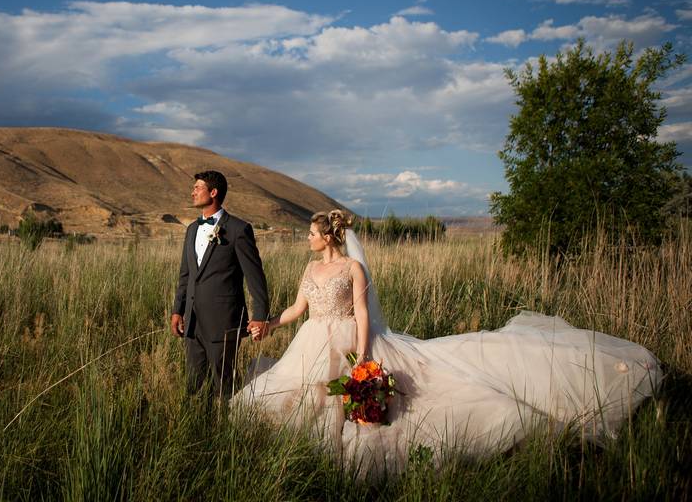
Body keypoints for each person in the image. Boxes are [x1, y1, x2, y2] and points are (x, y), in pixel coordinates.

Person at [234, 210, 662, 477]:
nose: (307, 238)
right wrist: (271, 325)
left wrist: (363, 356)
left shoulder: (352, 269)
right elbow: (297, 308)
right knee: (298, 394)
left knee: (372, 403)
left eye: (311, 233)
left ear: (328, 235)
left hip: (348, 339)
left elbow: (363, 314)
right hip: (312, 340)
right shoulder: (310, 268)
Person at [171, 170, 270, 402]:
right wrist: (178, 310)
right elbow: (186, 275)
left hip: (223, 323)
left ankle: (227, 432)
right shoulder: (192, 229)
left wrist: (260, 315)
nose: (192, 192)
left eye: (198, 188)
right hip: (192, 323)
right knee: (193, 386)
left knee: (224, 386)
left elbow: (255, 276)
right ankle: (197, 430)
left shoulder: (238, 229)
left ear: (213, 192)